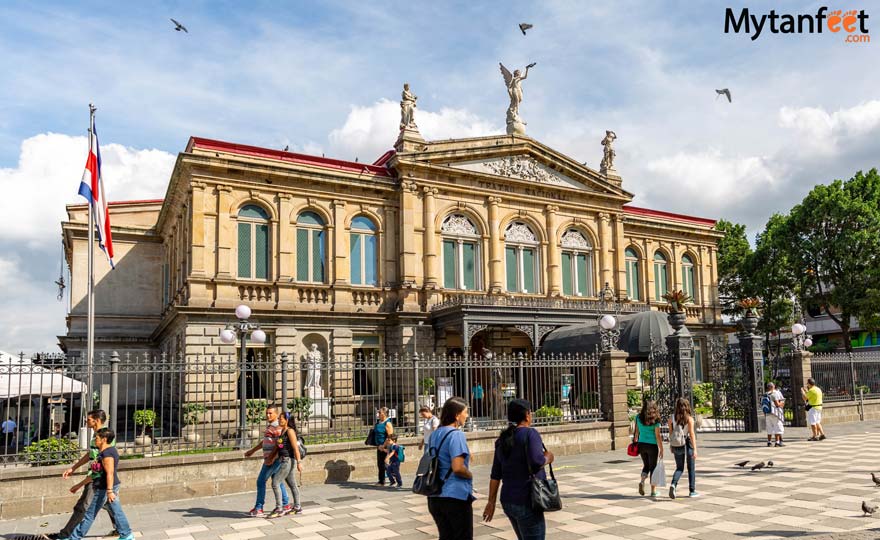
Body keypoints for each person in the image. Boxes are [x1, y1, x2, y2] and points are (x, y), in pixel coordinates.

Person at [483, 399, 553, 540]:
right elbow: (537, 462)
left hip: (508, 500)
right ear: (527, 415)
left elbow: (495, 474)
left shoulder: (502, 439)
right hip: (527, 500)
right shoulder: (530, 434)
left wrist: (491, 502)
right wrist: (549, 457)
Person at [46, 410, 118, 540]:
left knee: (83, 506)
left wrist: (82, 483)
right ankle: (120, 529)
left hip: (96, 477)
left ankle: (65, 535)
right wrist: (73, 468)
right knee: (108, 504)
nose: (86, 421)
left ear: (96, 420)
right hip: (95, 476)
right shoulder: (96, 436)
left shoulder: (105, 436)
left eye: (89, 419)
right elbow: (89, 455)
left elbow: (105, 461)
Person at [61, 428, 133, 540]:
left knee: (90, 515)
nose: (95, 439)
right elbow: (96, 474)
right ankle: (127, 535)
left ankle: (74, 538)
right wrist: (79, 485)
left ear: (104, 439)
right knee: (117, 511)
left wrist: (109, 491)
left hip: (105, 488)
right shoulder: (103, 453)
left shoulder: (107, 453)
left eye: (97, 437)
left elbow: (110, 473)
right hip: (106, 486)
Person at [428, 397, 474, 540]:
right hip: (455, 496)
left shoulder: (435, 434)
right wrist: (470, 475)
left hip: (435, 496)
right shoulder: (456, 434)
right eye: (465, 412)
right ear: (456, 415)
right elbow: (458, 467)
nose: (467, 416)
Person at [244, 404, 289, 517]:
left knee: (260, 481)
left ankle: (259, 508)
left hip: (273, 460)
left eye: (270, 413)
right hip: (271, 459)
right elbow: (264, 442)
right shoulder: (271, 426)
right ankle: (286, 505)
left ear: (276, 414)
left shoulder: (277, 427)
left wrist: (271, 458)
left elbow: (280, 445)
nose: (268, 415)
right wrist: (252, 450)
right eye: (267, 413)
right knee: (278, 481)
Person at [268, 412, 303, 517]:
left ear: (286, 420)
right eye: (279, 418)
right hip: (283, 460)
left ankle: (279, 508)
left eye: (281, 418)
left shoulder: (290, 431)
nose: (279, 420)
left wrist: (299, 463)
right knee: (292, 484)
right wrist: (271, 457)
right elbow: (278, 446)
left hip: (287, 461)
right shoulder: (283, 431)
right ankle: (297, 507)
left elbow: (295, 448)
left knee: (275, 483)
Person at [667, 397, 698, 499]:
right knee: (691, 468)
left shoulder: (671, 418)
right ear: (687, 407)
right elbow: (692, 434)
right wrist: (695, 449)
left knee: (679, 468)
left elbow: (671, 433)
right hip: (687, 442)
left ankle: (673, 484)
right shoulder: (689, 419)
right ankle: (692, 491)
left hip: (677, 443)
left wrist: (671, 445)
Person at [633, 400, 663, 498]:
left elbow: (636, 433)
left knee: (646, 465)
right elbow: (658, 436)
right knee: (653, 468)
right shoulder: (656, 420)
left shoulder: (638, 417)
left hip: (641, 445)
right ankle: (653, 491)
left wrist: (635, 441)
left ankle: (642, 481)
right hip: (652, 446)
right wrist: (661, 449)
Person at [373, 407, 394, 486]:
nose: (378, 414)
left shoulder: (387, 423)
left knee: (383, 463)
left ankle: (383, 480)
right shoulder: (379, 422)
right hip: (379, 446)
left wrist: (383, 446)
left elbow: (390, 436)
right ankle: (383, 479)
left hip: (385, 446)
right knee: (380, 463)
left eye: (380, 413)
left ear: (384, 414)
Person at [764, 382, 785, 447]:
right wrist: (782, 402)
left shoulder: (765, 394)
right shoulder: (774, 394)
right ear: (773, 387)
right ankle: (777, 442)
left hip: (767, 413)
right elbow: (777, 404)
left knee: (769, 428)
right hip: (775, 413)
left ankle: (769, 442)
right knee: (777, 427)